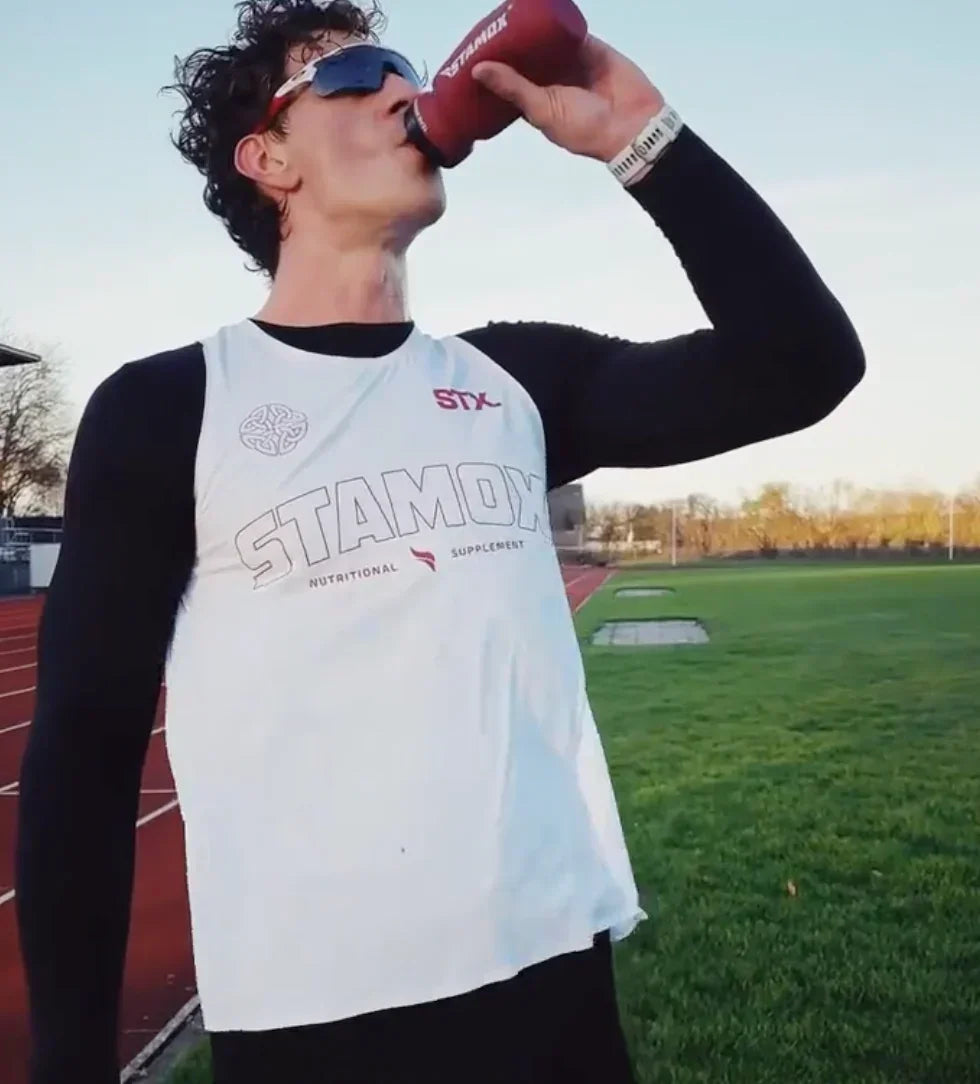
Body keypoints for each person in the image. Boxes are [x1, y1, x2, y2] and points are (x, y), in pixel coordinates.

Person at [15, 1, 865, 1081]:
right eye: (355, 73)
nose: (400, 90)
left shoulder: (516, 382)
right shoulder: (169, 406)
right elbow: (82, 756)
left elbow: (801, 363)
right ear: (268, 156)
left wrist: (637, 135)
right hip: (315, 1023)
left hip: (556, 982)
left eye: (406, 69)